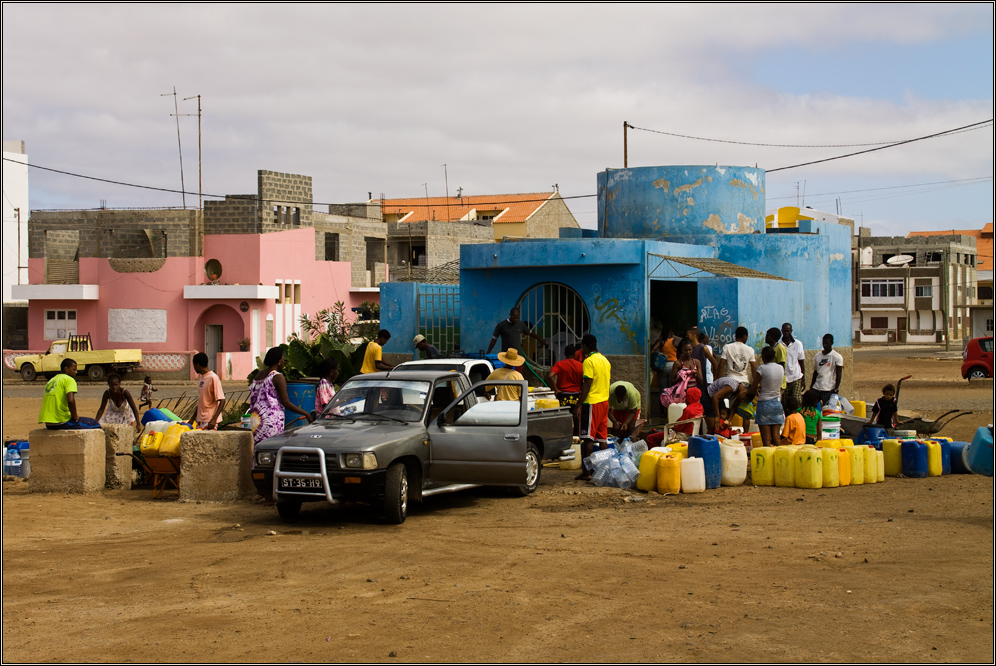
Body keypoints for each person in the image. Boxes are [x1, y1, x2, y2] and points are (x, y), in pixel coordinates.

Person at [249, 347, 314, 445]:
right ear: (278, 361)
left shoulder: (258, 375)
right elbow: (286, 403)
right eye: (283, 359)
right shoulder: (277, 377)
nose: (284, 361)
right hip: (271, 422)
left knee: (259, 450)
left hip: (257, 421)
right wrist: (306, 413)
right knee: (271, 449)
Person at [574, 334, 611, 481]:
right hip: (604, 402)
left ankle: (586, 472)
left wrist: (578, 405)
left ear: (585, 346)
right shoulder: (605, 360)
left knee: (587, 438)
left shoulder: (589, 361)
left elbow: (587, 384)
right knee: (602, 438)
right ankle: (602, 469)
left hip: (592, 402)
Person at [38, 358, 99, 429]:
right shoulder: (69, 380)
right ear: (66, 368)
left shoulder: (52, 380)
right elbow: (70, 400)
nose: (76, 372)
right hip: (61, 421)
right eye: (74, 369)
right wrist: (75, 417)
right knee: (94, 424)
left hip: (48, 423)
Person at [748, 346, 785, 447]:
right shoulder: (781, 368)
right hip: (777, 403)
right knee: (776, 437)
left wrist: (754, 390)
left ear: (763, 357)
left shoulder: (762, 368)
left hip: (764, 404)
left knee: (766, 440)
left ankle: (767, 461)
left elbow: (753, 387)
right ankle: (779, 460)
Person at [548, 344, 583, 433]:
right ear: (575, 354)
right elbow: (585, 380)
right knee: (577, 420)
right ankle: (577, 439)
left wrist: (556, 389)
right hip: (576, 397)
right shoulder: (581, 366)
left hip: (562, 396)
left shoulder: (559, 364)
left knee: (562, 420)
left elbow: (550, 376)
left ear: (564, 353)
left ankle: (563, 438)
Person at [192, 352, 226, 430]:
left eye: (194, 365)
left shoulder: (213, 378)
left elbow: (222, 400)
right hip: (201, 419)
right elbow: (202, 401)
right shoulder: (201, 377)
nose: (194, 368)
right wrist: (192, 419)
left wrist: (214, 420)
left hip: (210, 420)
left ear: (197, 365)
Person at [810, 333, 843, 406]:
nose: (825, 345)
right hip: (817, 387)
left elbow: (839, 374)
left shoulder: (836, 357)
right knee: (812, 409)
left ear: (832, 343)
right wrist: (811, 387)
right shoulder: (817, 356)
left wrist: (836, 389)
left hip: (828, 389)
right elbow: (815, 372)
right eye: (823, 343)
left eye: (827, 343)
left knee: (827, 409)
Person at [782, 323, 805, 405]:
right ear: (782, 331)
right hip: (784, 378)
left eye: (788, 331)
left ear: (791, 331)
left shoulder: (798, 344)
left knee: (797, 400)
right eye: (784, 331)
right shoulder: (779, 345)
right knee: (785, 402)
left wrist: (803, 379)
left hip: (796, 376)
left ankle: (797, 417)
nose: (786, 333)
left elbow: (801, 362)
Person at [766, 327, 788, 393]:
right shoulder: (772, 348)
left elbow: (781, 366)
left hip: (778, 383)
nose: (765, 337)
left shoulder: (780, 348)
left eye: (767, 335)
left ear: (773, 337)